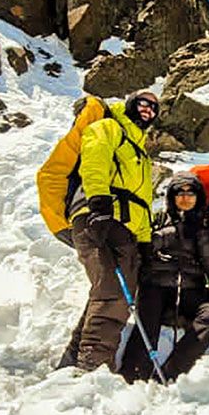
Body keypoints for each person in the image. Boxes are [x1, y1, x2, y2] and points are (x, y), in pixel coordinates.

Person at [66, 90, 159, 372]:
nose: (149, 111)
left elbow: (142, 203)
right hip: (101, 218)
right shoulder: (108, 127)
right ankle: (92, 367)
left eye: (154, 109)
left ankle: (71, 361)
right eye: (144, 104)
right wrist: (99, 204)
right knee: (113, 292)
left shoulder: (139, 151)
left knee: (108, 290)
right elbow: (95, 159)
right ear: (131, 104)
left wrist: (144, 242)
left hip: (125, 228)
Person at [119, 173, 209, 382]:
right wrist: (171, 234)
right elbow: (145, 246)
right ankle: (132, 374)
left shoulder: (205, 225)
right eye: (180, 192)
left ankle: (171, 371)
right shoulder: (158, 218)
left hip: (190, 288)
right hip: (156, 284)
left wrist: (203, 237)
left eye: (191, 193)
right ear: (171, 196)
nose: (185, 198)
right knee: (148, 321)